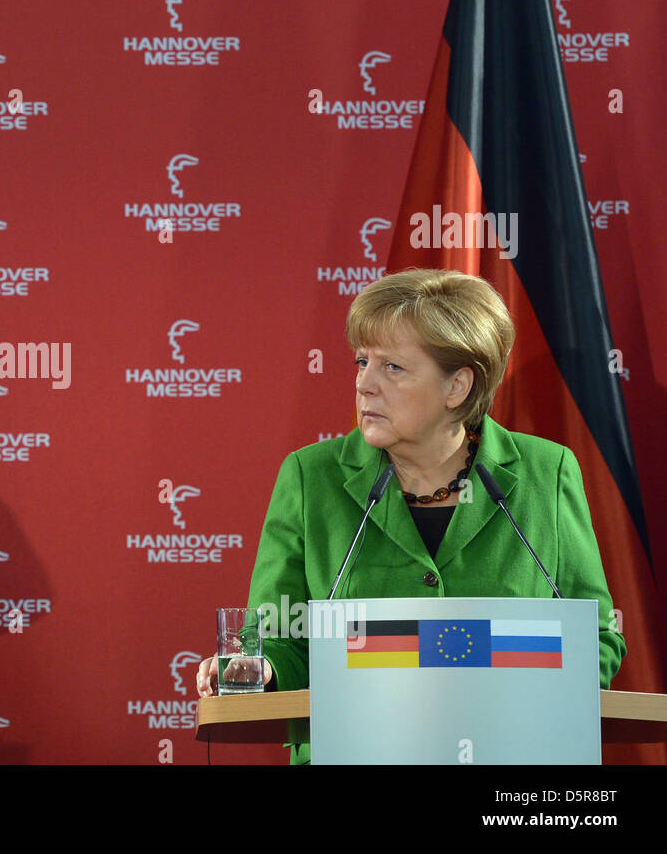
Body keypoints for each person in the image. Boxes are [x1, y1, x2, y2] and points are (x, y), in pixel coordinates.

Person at [196, 268, 625, 763]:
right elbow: (280, 639)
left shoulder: (545, 474)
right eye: (362, 362)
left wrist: (531, 709)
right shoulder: (311, 478)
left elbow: (596, 636)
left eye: (393, 368)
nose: (364, 385)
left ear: (457, 386)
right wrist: (262, 668)